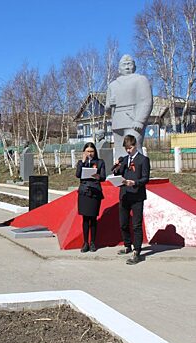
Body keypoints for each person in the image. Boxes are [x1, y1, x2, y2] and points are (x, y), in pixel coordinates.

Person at [113, 134, 150, 265]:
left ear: (135, 146)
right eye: (126, 148)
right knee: (123, 223)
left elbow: (145, 178)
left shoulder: (143, 159)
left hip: (137, 195)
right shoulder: (124, 160)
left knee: (136, 225)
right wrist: (116, 166)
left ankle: (137, 252)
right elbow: (117, 173)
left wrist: (134, 182)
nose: (128, 150)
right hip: (124, 195)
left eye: (130, 147)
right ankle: (127, 245)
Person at [106, 54, 153, 159]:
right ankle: (120, 172)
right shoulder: (112, 85)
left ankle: (137, 173)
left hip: (133, 121)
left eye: (129, 64)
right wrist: (109, 105)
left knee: (134, 149)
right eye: (124, 65)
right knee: (120, 151)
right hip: (117, 122)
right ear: (119, 69)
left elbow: (147, 102)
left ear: (135, 67)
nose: (127, 67)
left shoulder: (141, 80)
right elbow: (107, 109)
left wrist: (140, 120)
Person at [75, 142, 106, 253]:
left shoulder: (100, 162)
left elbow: (103, 177)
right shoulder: (81, 163)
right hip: (84, 192)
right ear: (84, 152)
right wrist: (83, 162)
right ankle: (85, 243)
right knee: (85, 218)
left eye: (91, 151)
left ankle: (93, 242)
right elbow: (78, 174)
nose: (90, 153)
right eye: (87, 151)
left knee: (93, 218)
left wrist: (97, 176)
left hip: (95, 192)